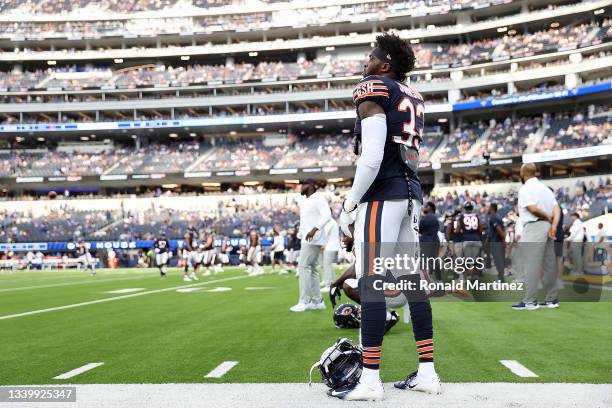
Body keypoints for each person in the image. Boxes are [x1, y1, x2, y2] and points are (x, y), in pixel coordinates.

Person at [334, 33, 439, 401]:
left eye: (371, 56)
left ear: (385, 65)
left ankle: (370, 381)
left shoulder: (374, 87)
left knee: (371, 283)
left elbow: (373, 155)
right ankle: (428, 372)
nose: (366, 62)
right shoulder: (413, 94)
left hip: (384, 193)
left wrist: (349, 204)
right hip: (411, 195)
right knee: (412, 283)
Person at [512, 163, 561, 310]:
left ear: (523, 173)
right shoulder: (545, 188)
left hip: (534, 226)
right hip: (546, 227)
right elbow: (557, 208)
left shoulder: (526, 188)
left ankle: (530, 301)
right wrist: (553, 225)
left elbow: (532, 209)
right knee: (549, 264)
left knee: (531, 264)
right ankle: (552, 299)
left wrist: (547, 217)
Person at [289, 179, 331, 312]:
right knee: (311, 269)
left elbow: (327, 215)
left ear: (311, 186)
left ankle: (304, 301)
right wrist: (301, 234)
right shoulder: (307, 201)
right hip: (307, 238)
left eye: (303, 184)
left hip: (313, 238)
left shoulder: (318, 198)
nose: (300, 187)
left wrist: (314, 229)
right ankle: (318, 302)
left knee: (304, 267)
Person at [455, 201, 484, 280]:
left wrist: (459, 233)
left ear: (465, 208)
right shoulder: (477, 216)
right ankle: (475, 276)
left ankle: (466, 276)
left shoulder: (461, 216)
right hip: (476, 239)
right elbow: (481, 228)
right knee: (475, 259)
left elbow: (457, 229)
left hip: (466, 239)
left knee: (466, 259)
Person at [419, 201, 441, 281]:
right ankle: (438, 278)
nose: (424, 208)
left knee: (424, 261)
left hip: (426, 241)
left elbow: (419, 229)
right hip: (435, 241)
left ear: (429, 208)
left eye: (425, 207)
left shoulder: (425, 218)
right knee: (434, 260)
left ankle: (427, 278)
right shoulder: (435, 217)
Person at [487, 203, 506, 282]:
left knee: (498, 260)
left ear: (491, 208)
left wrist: (503, 238)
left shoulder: (494, 217)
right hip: (498, 241)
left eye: (489, 207)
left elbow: (498, 229)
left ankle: (501, 279)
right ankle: (501, 277)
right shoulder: (498, 216)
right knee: (499, 260)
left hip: (496, 241)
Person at [321, 219, 341, 292]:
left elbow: (324, 234)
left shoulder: (329, 222)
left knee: (327, 265)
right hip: (332, 246)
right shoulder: (332, 222)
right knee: (328, 265)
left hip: (330, 246)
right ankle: (335, 283)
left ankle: (329, 284)